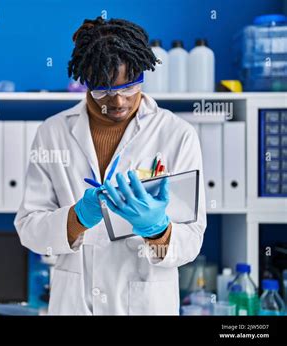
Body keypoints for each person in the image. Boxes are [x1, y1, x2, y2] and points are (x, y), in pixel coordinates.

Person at [14, 16, 206, 315]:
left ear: (143, 72)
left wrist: (157, 230)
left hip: (145, 305)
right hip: (74, 304)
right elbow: (29, 229)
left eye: (129, 87)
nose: (118, 102)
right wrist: (76, 218)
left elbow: (191, 241)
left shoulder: (177, 134)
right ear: (85, 82)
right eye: (103, 90)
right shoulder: (52, 133)